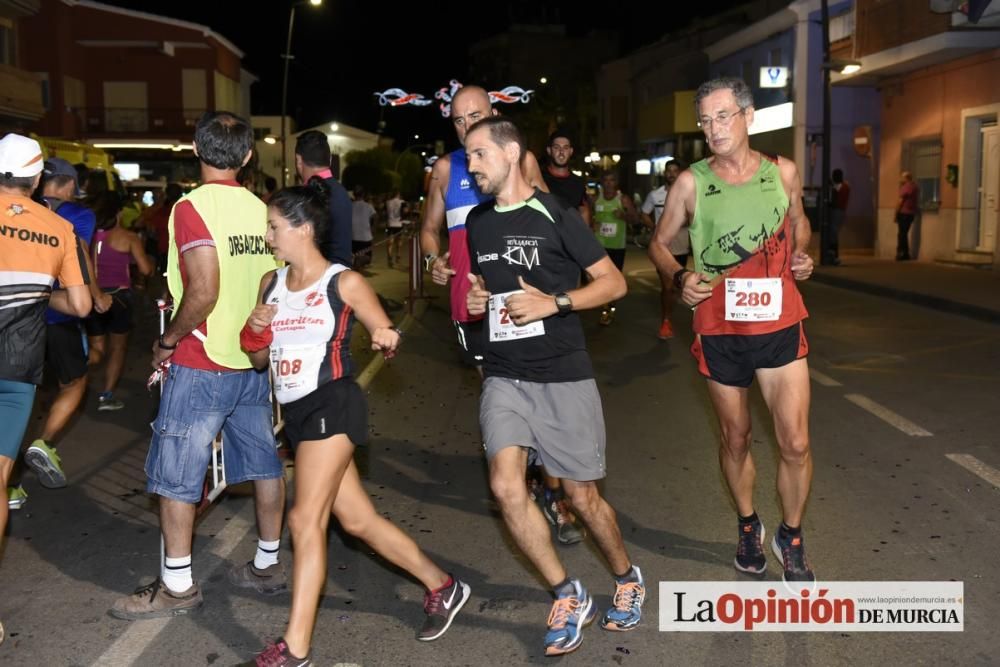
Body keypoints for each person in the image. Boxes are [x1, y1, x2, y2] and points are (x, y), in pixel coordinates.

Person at [238, 181, 470, 666]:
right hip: (298, 415)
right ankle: (443, 586)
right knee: (359, 521)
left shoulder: (343, 282)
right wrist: (257, 330)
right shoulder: (270, 283)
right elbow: (259, 361)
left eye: (274, 227)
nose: (268, 236)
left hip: (335, 403)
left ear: (303, 229)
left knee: (304, 519)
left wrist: (385, 335)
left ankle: (295, 647)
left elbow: (384, 329)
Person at [464, 117, 645, 656]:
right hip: (504, 375)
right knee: (504, 486)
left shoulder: (557, 214)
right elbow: (485, 289)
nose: (470, 166)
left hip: (562, 372)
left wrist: (555, 302)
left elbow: (614, 282)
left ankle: (626, 576)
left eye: (478, 154)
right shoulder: (477, 223)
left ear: (511, 152)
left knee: (581, 497)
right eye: (467, 155)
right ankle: (568, 592)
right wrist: (477, 301)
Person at [110, 111, 286, 619]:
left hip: (201, 358)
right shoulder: (262, 209)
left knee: (176, 475)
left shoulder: (191, 208)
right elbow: (272, 283)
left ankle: (178, 586)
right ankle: (267, 565)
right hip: (250, 361)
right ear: (249, 156)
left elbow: (203, 289)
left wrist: (167, 340)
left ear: (195, 149)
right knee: (264, 464)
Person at [649, 77, 816, 585]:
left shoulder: (782, 172)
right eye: (705, 119)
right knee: (736, 438)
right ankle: (747, 524)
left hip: (780, 323)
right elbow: (659, 244)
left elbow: (800, 222)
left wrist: (803, 256)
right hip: (720, 329)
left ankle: (791, 534)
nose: (714, 127)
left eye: (723, 116)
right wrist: (679, 277)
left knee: (795, 442)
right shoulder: (690, 183)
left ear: (748, 117)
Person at [0, 133, 92, 634]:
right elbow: (79, 306)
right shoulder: (57, 228)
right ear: (37, 179)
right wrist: (39, 297)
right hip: (16, 370)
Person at [420, 84, 547, 370]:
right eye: (459, 120)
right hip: (469, 300)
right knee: (490, 384)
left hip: (522, 293)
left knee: (526, 379)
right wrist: (432, 261)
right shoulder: (443, 169)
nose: (467, 127)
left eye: (475, 116)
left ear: (495, 114)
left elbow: (552, 220)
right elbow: (428, 229)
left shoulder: (522, 160)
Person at [8, 158, 110, 499]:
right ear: (68, 184)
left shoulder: (22, 208)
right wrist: (95, 294)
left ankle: (11, 483)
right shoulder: (76, 216)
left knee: (22, 397)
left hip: (18, 319)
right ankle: (45, 441)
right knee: (75, 382)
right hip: (59, 315)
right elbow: (81, 253)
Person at [86, 191, 154, 411]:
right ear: (118, 213)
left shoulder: (86, 236)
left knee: (96, 348)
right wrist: (148, 263)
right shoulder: (128, 237)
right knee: (118, 348)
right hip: (119, 299)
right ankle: (106, 396)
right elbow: (145, 269)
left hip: (91, 296)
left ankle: (73, 374)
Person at [639, 160, 686, 339]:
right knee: (667, 285)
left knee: (676, 285)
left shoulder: (688, 192)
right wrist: (655, 228)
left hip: (682, 244)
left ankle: (670, 312)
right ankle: (666, 321)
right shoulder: (655, 194)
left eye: (675, 170)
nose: (671, 174)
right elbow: (644, 213)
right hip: (663, 246)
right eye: (669, 171)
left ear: (680, 172)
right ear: (664, 174)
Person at [294, 130, 353, 267]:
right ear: (330, 159)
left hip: (317, 281)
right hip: (340, 277)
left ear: (298, 160)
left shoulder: (306, 196)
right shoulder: (342, 192)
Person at [592, 171, 637, 325]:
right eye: (606, 180)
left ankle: (609, 308)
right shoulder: (595, 199)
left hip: (617, 246)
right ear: (602, 182)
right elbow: (588, 218)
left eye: (612, 180)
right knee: (598, 278)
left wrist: (623, 215)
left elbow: (635, 219)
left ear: (616, 182)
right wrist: (592, 224)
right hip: (599, 246)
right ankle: (605, 306)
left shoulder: (623, 199)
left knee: (613, 280)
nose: (609, 183)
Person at [542, 129, 592, 227]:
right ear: (549, 150)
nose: (561, 152)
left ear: (571, 151)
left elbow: (584, 211)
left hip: (569, 239)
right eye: (557, 147)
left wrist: (585, 238)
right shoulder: (539, 178)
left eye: (565, 148)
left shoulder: (578, 183)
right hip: (545, 239)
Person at [824, 168, 850, 266]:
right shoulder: (838, 186)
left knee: (833, 232)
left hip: (838, 211)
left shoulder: (844, 187)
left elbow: (839, 198)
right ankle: (832, 255)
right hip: (836, 211)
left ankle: (834, 255)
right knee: (832, 233)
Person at [895, 170, 919, 261]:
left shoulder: (906, 187)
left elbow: (900, 202)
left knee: (902, 234)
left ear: (906, 178)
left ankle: (902, 253)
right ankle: (905, 253)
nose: (900, 179)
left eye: (901, 177)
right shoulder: (915, 187)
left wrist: (896, 213)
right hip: (911, 214)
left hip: (904, 213)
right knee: (904, 233)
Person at [350, 185, 375, 270]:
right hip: (365, 237)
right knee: (367, 257)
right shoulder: (368, 206)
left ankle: (357, 267)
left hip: (352, 236)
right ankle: (358, 268)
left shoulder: (350, 205)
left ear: (354, 194)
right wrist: (373, 228)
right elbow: (376, 216)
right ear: (363, 194)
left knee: (355, 256)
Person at [385, 189, 405, 267]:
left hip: (390, 223)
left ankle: (389, 258)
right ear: (398, 194)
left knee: (390, 242)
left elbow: (386, 213)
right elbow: (405, 211)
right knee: (399, 241)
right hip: (399, 224)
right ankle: (398, 256)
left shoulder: (388, 202)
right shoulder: (402, 202)